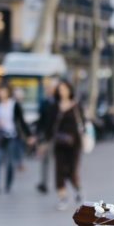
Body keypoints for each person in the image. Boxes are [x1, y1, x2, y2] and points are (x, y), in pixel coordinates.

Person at [0, 84, 30, 195]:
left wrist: (29, 135)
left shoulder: (14, 105)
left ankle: (8, 183)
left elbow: (21, 121)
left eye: (4, 91)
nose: (1, 94)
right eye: (0, 91)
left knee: (10, 162)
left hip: (11, 136)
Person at [51, 80, 85, 210]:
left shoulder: (76, 106)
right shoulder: (55, 106)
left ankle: (78, 190)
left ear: (70, 90)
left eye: (64, 89)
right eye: (60, 89)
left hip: (74, 144)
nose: (62, 91)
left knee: (71, 170)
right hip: (59, 143)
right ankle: (63, 197)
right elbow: (49, 125)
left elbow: (82, 123)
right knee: (59, 170)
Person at [35, 78, 58, 194]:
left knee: (58, 161)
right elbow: (40, 120)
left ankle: (60, 183)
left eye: (52, 88)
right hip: (46, 136)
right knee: (45, 160)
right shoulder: (44, 102)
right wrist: (39, 135)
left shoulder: (59, 103)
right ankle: (44, 182)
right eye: (48, 88)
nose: (49, 90)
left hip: (58, 136)